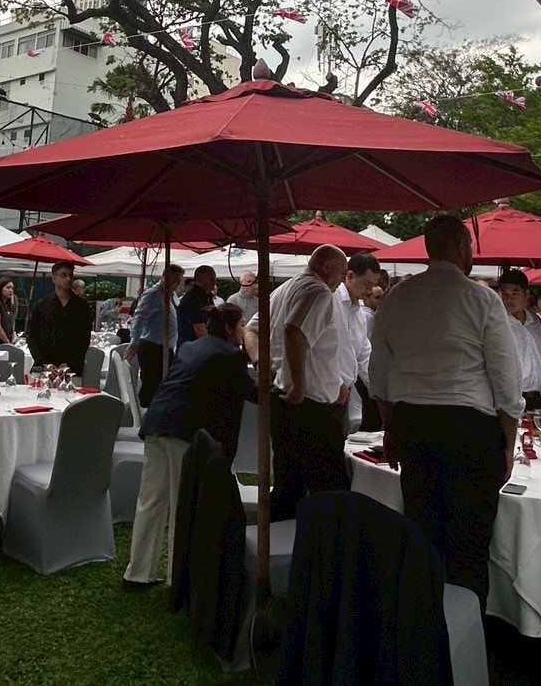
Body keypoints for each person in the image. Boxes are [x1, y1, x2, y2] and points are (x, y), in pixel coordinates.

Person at [369, 216, 523, 610]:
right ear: (460, 246)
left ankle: (420, 626)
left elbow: (379, 374)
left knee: (423, 535)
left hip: (413, 423)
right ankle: (465, 634)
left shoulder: (397, 297)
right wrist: (508, 442)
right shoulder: (481, 299)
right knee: (469, 545)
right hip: (468, 426)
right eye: (469, 245)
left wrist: (390, 426)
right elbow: (506, 380)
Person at [122, 303, 257, 589]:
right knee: (181, 504)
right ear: (230, 329)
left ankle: (137, 572)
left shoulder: (189, 347)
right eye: (242, 325)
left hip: (157, 422)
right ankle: (177, 577)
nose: (244, 330)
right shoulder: (231, 355)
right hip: (184, 430)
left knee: (150, 501)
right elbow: (252, 392)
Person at [262, 244, 350, 522]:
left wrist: (262, 363)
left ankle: (284, 540)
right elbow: (294, 331)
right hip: (308, 405)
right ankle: (324, 543)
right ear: (327, 267)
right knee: (330, 490)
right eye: (342, 273)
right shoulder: (318, 290)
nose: (341, 282)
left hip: (288, 398)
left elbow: (253, 329)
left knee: (289, 485)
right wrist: (299, 385)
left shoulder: (286, 288)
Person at [497, 270, 541, 426]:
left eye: (515, 293)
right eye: (505, 294)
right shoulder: (497, 323)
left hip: (536, 398)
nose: (509, 299)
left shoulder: (535, 322)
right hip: (510, 398)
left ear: (526, 294)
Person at [334, 252, 381, 434]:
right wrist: (336, 382)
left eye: (373, 285)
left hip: (342, 395)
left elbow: (364, 355)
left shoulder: (359, 313)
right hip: (324, 391)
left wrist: (379, 390)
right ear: (350, 275)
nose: (369, 291)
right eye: (367, 285)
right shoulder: (331, 299)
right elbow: (316, 348)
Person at [125, 265, 182, 406]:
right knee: (151, 388)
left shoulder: (172, 295)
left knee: (163, 387)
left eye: (178, 281)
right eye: (174, 280)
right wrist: (134, 342)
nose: (176, 284)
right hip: (152, 347)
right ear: (165, 277)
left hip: (166, 348)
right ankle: (144, 414)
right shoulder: (153, 294)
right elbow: (139, 318)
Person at [26, 261, 93, 376]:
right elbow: (33, 337)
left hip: (72, 369)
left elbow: (84, 339)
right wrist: (44, 364)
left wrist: (70, 364)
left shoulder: (82, 306)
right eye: (63, 275)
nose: (68, 279)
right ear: (53, 278)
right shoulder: (42, 305)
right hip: (46, 368)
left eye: (70, 275)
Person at [175, 265, 219, 349]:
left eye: (214, 279)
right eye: (211, 279)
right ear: (200, 279)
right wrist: (211, 349)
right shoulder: (193, 298)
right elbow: (199, 329)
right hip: (192, 348)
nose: (214, 282)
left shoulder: (206, 297)